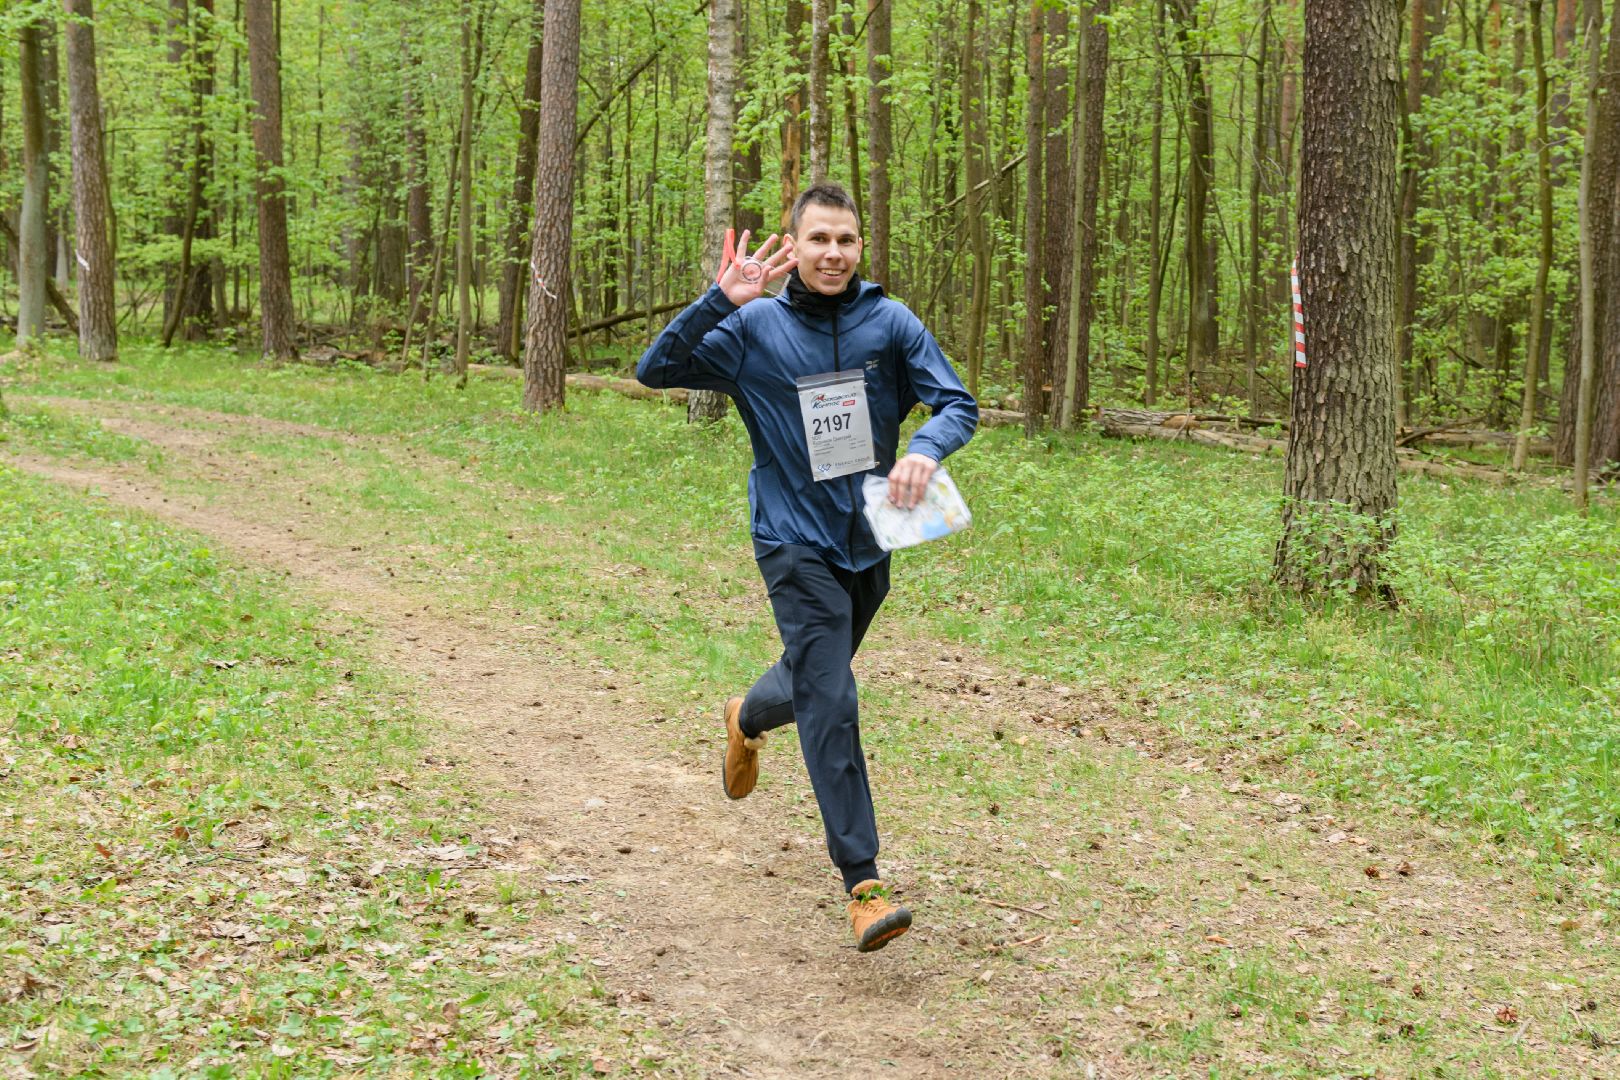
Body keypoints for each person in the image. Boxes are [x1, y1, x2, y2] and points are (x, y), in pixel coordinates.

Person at [636, 182, 977, 952]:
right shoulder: (753, 326)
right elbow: (655, 369)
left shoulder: (890, 323)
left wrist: (925, 448)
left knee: (813, 676)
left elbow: (956, 402)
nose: (833, 253)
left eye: (846, 240)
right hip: (791, 542)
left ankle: (747, 716)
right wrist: (717, 302)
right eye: (818, 239)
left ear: (862, 247)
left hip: (868, 540)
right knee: (833, 696)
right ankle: (863, 881)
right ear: (793, 246)